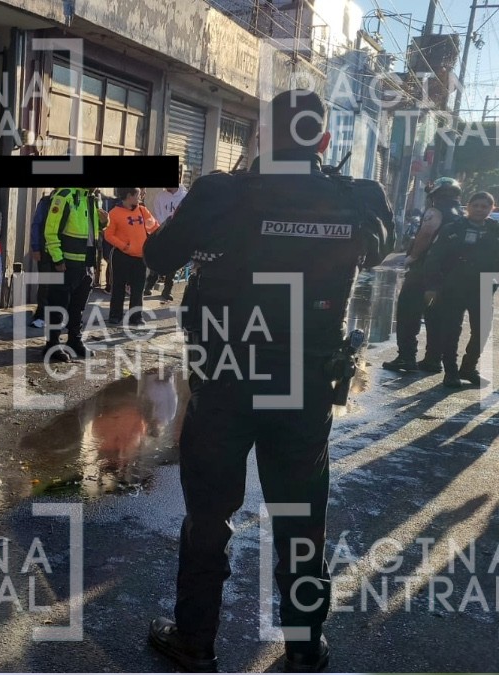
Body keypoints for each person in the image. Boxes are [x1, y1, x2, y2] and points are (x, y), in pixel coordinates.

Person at [143, 89, 390, 673]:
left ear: (261, 136)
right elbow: (381, 248)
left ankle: (195, 640)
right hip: (304, 386)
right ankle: (304, 644)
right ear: (323, 141)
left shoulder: (221, 194)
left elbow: (158, 257)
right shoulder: (358, 198)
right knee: (301, 519)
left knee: (209, 516)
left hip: (226, 380)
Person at [381, 177, 464, 373]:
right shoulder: (461, 214)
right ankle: (433, 359)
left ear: (435, 193)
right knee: (435, 317)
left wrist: (412, 257)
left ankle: (406, 357)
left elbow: (426, 234)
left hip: (423, 271)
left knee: (408, 312)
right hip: (446, 274)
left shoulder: (435, 211)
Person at [423, 192, 499, 388]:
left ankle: (469, 368)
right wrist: (433, 286)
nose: (480, 209)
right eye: (476, 205)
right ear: (468, 206)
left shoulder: (495, 230)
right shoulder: (452, 229)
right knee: (450, 331)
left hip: (484, 286)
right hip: (454, 286)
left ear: (491, 209)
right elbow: (435, 258)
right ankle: (451, 372)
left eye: (484, 206)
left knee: (482, 330)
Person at [42, 187, 107, 360]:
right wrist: (58, 259)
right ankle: (52, 344)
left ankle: (74, 340)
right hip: (66, 263)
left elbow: (91, 230)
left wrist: (103, 222)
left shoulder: (93, 198)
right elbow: (50, 230)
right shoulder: (65, 196)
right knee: (58, 305)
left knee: (78, 307)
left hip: (86, 263)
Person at [105, 187, 159, 325]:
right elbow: (108, 235)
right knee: (118, 287)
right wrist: (124, 246)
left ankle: (136, 317)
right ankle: (115, 315)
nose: (139, 198)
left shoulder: (142, 210)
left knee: (138, 288)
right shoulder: (114, 213)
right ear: (129, 196)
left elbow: (154, 227)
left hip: (140, 256)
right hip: (121, 256)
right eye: (137, 195)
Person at [147, 170, 189, 302]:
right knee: (157, 259)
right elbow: (157, 212)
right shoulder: (160, 196)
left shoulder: (185, 196)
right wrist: (163, 226)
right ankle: (149, 284)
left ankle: (167, 290)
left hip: (177, 234)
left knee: (173, 262)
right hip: (163, 231)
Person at [28, 190, 54, 329]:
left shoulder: (72, 201)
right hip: (46, 251)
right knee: (45, 284)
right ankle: (42, 315)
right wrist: (36, 247)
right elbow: (36, 225)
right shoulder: (46, 202)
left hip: (64, 252)